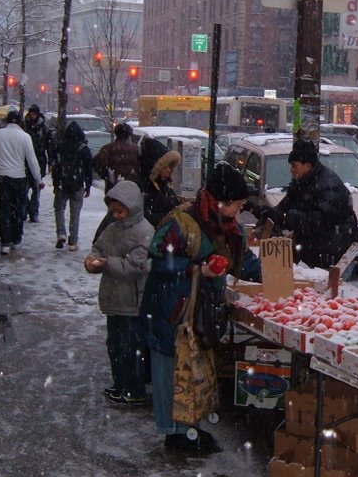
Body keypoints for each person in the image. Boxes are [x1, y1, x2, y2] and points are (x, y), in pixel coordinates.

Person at [140, 163, 259, 455]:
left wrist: (279, 274)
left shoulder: (231, 228)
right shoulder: (180, 223)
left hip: (202, 312)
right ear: (219, 201)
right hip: (171, 310)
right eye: (237, 205)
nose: (239, 212)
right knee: (170, 371)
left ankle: (190, 427)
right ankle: (174, 433)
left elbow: (243, 262)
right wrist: (196, 269)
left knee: (194, 372)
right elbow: (157, 261)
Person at [84, 180, 153, 406]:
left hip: (132, 302)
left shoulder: (144, 232)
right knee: (115, 345)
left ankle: (134, 389)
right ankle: (121, 384)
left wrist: (104, 264)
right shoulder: (111, 230)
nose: (116, 216)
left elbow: (134, 267)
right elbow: (99, 247)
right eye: (113, 211)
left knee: (130, 347)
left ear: (131, 208)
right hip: (114, 300)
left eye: (120, 211)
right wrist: (92, 260)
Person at [256, 138, 358, 269]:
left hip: (333, 255)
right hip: (312, 252)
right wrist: (267, 213)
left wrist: (285, 217)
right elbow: (284, 207)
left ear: (308, 165)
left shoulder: (328, 185)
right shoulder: (301, 182)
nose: (291, 170)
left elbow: (315, 222)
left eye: (294, 165)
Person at [0, 109, 42, 256]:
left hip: (1, 176)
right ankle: (16, 236)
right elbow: (32, 160)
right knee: (18, 208)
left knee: (3, 208)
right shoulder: (25, 137)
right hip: (19, 176)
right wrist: (38, 178)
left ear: (7, 121)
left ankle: (5, 241)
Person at [50, 120, 94, 250]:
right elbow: (88, 168)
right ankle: (73, 241)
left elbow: (55, 166)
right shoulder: (83, 149)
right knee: (75, 212)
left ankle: (61, 233)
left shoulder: (60, 147)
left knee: (59, 209)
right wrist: (88, 185)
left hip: (62, 183)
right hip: (77, 184)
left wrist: (55, 182)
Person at [23, 104, 54, 223]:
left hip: (39, 160)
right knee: (24, 188)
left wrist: (50, 161)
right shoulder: (24, 125)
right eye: (31, 113)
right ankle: (25, 210)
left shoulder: (43, 128)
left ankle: (33, 211)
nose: (32, 116)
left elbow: (48, 146)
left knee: (36, 189)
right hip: (25, 161)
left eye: (34, 114)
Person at [92, 123, 141, 191]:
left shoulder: (108, 148)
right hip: (131, 184)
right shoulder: (136, 149)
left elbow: (97, 163)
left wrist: (106, 175)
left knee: (114, 201)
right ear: (129, 135)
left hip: (113, 185)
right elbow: (141, 165)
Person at [144, 148, 182, 228]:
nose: (168, 170)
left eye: (170, 167)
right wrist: (171, 216)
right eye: (165, 167)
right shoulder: (147, 190)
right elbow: (148, 218)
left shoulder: (166, 186)